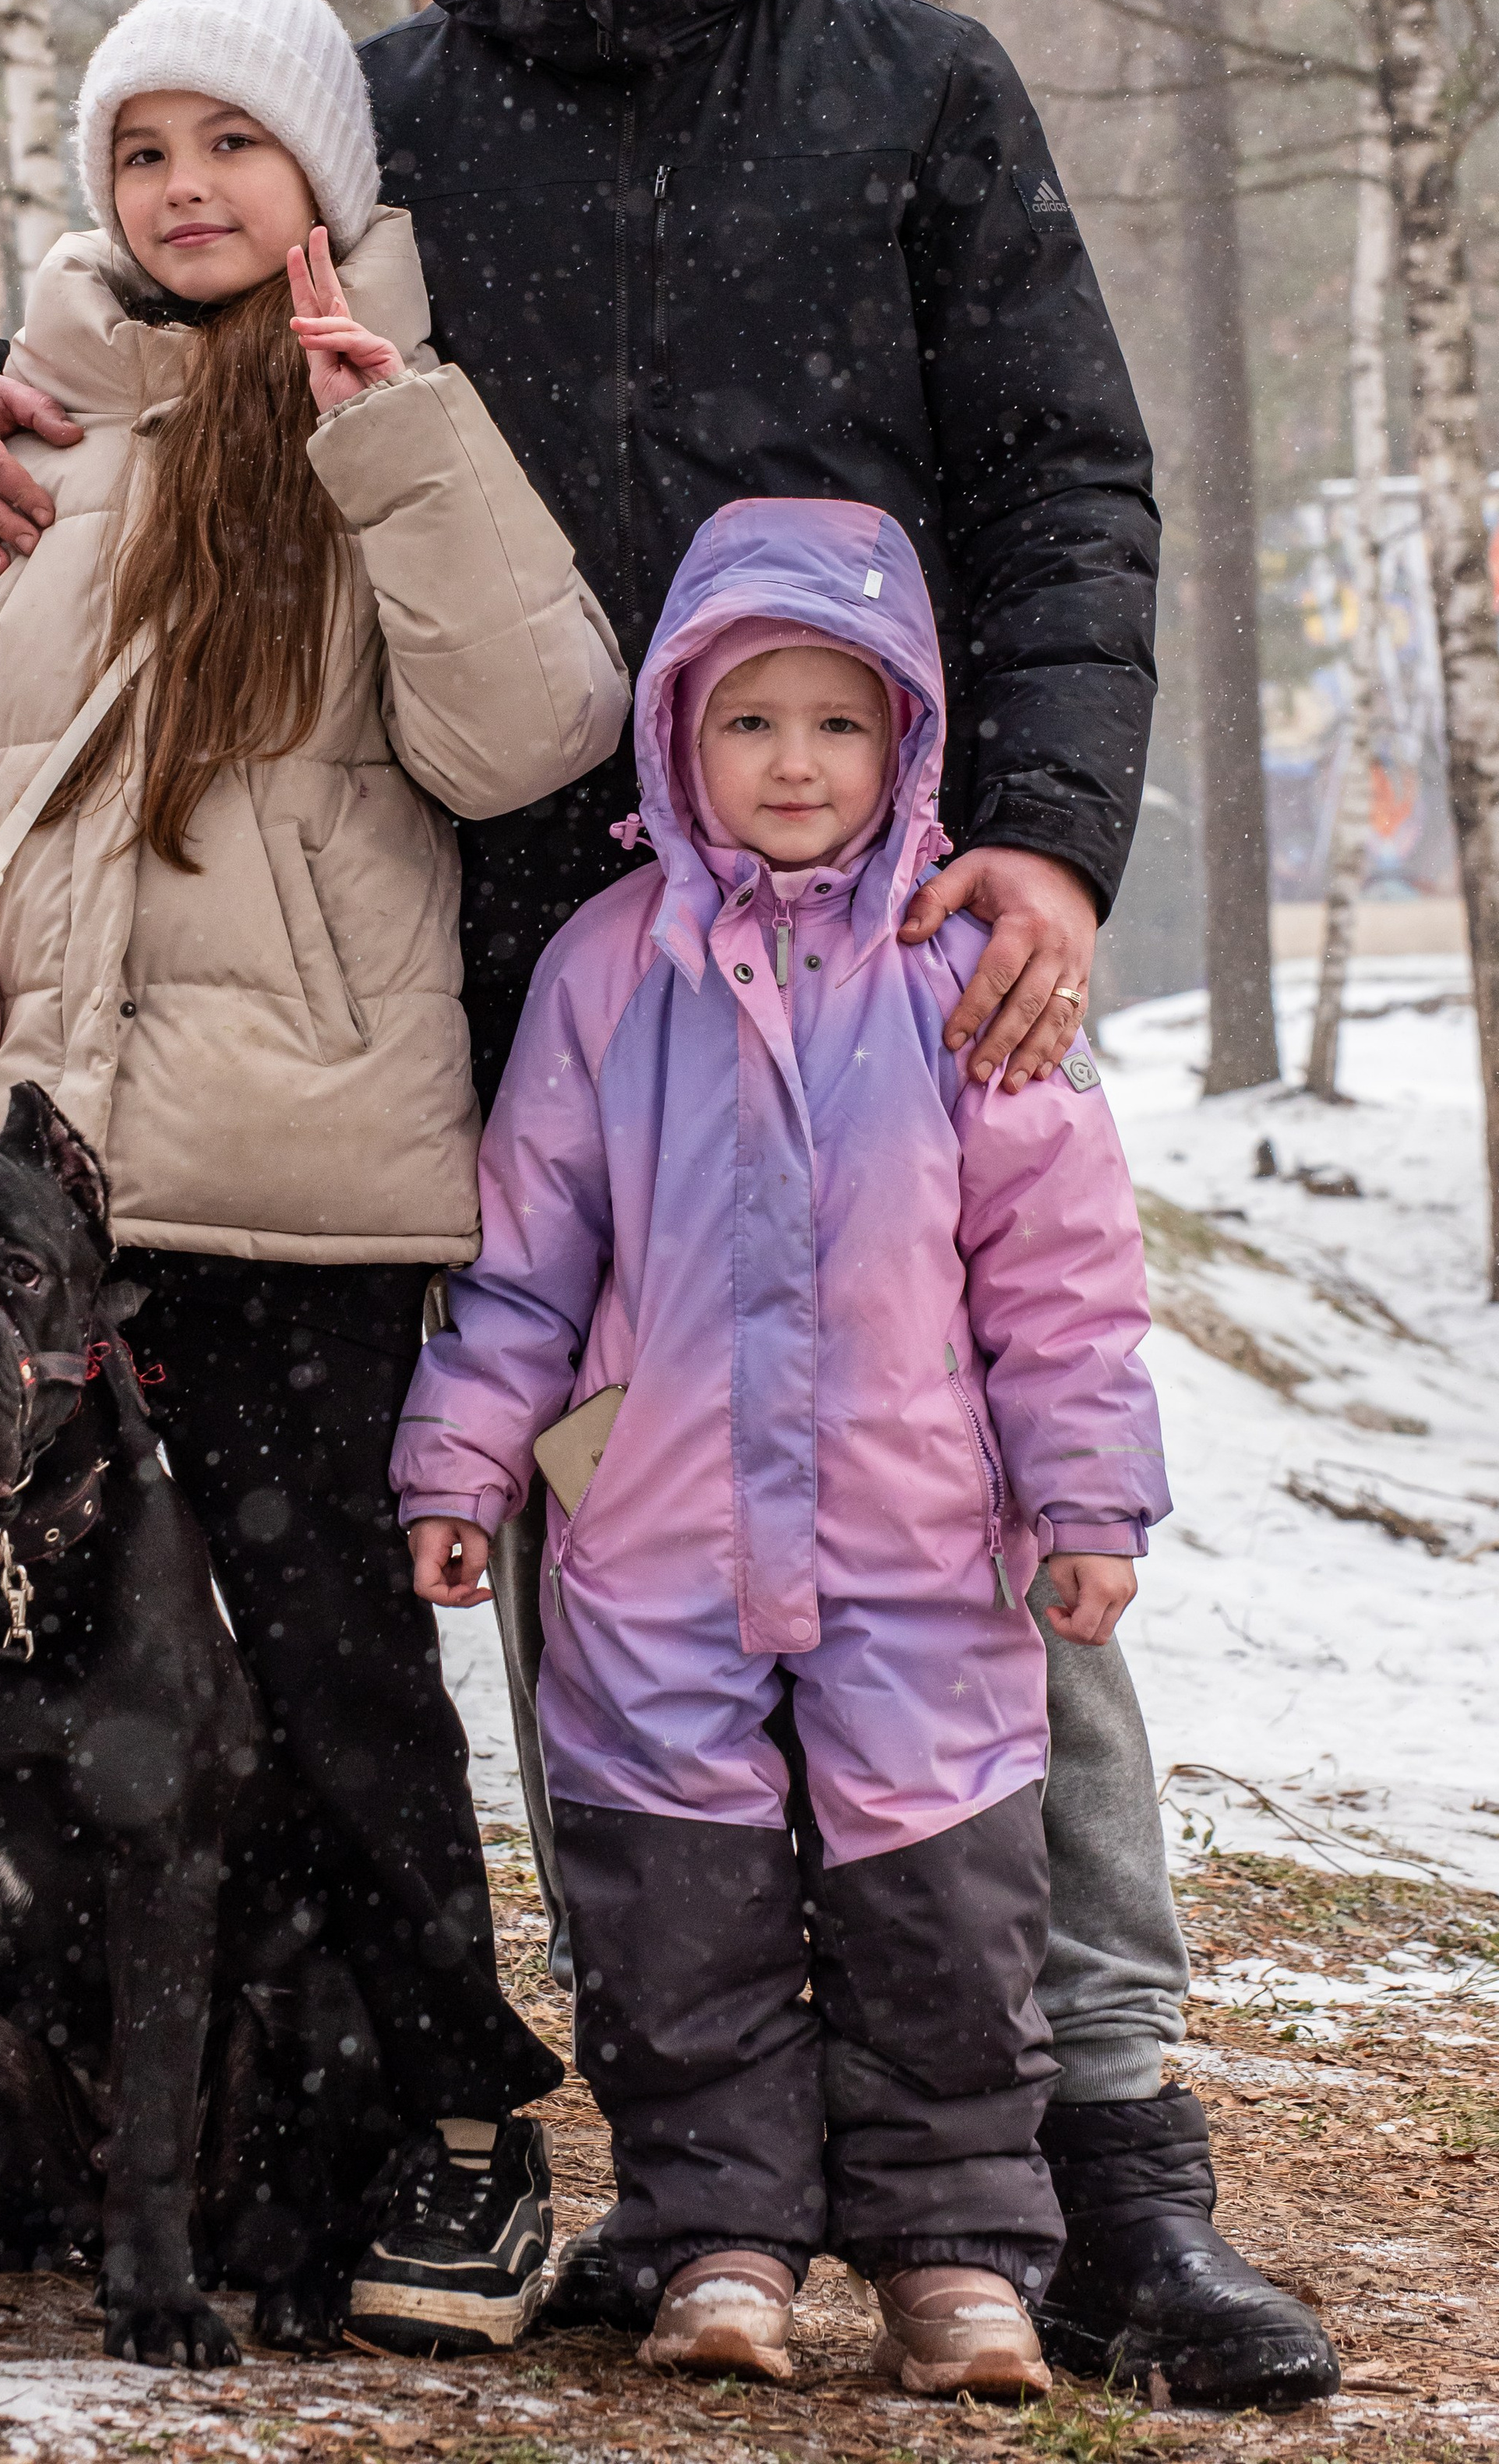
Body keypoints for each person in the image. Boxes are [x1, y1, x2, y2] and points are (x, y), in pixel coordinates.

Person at [0, 0, 1339, 2408]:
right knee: (591, 1593)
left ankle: (1104, 2166)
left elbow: (1068, 484)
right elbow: (136, 305)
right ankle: (710, 2171)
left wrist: (1036, 839)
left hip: (892, 955)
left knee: (994, 1540)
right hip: (521, 981)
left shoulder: (910, 92)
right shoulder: (383, 122)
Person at [0, 0, 632, 2360]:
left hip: (288, 1177)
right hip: (9, 1182)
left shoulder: (395, 420)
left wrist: (390, 442)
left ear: (323, 175)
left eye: (236, 142)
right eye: (141, 151)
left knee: (322, 1666)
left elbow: (539, 735)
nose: (187, 187)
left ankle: (442, 2116)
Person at [390, 495, 1168, 2395]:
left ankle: (953, 2254)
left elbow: (1058, 1280)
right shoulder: (605, 967)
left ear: (905, 740)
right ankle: (716, 2236)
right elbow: (524, 1260)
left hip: (914, 1539)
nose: (792, 762)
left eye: (836, 721)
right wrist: (460, 1461)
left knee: (944, 1911)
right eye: (748, 722)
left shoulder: (961, 974)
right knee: (677, 1909)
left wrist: (1083, 1491)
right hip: (653, 1542)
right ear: (677, 737)